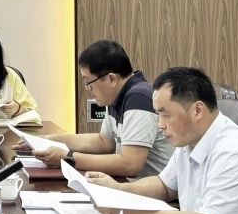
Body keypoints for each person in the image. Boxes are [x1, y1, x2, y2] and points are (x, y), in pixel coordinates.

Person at [85, 66, 238, 214]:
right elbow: (164, 186)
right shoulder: (191, 139)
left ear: (197, 111)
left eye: (165, 115)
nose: (160, 125)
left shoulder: (234, 152)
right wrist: (117, 190)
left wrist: (128, 211)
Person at [33, 40, 170, 178]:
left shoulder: (139, 98)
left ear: (111, 79)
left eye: (88, 82)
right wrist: (48, 140)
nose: (87, 88)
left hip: (153, 191)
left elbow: (130, 165)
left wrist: (69, 158)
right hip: (129, 186)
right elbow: (104, 142)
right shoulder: (117, 96)